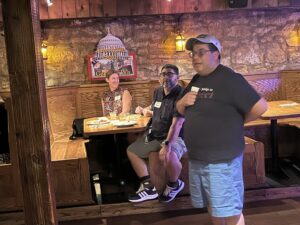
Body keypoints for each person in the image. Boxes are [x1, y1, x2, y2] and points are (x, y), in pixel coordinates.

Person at [176, 34, 268, 225]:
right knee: (214, 205)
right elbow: (179, 109)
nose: (195, 57)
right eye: (193, 53)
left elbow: (260, 107)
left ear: (216, 54)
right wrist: (182, 102)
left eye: (201, 52)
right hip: (199, 158)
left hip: (221, 160)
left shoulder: (230, 79)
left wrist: (234, 123)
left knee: (229, 206)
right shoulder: (196, 80)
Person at [127, 64, 187, 203]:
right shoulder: (158, 91)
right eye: (163, 74)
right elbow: (155, 106)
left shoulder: (182, 95)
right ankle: (149, 187)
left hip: (177, 136)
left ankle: (174, 184)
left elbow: (176, 124)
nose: (166, 77)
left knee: (169, 154)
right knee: (131, 150)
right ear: (159, 78)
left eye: (170, 74)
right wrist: (144, 109)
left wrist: (167, 144)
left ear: (177, 78)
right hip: (156, 135)